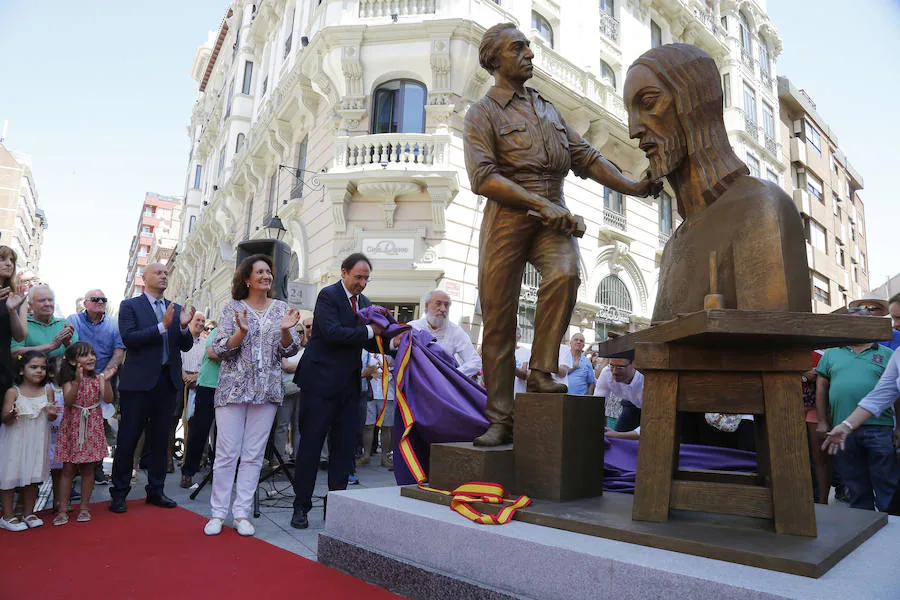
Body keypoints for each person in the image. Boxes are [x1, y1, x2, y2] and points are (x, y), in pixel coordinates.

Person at [464, 23, 659, 446]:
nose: (529, 53)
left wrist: (635, 187)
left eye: (529, 47)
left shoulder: (546, 108)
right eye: (518, 48)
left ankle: (541, 370)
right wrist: (543, 206)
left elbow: (585, 156)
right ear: (495, 58)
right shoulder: (483, 113)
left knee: (566, 275)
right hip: (509, 216)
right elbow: (482, 178)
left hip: (553, 214)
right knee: (498, 317)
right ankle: (500, 418)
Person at [625, 44, 810, 324]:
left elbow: (775, 342)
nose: (633, 130)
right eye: (630, 111)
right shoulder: (675, 242)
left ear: (693, 103)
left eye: (648, 103)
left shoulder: (760, 206)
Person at [204, 255, 301, 537]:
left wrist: (284, 330)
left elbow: (290, 349)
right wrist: (241, 333)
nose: (266, 276)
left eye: (269, 272)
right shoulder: (232, 308)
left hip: (267, 390)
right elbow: (220, 349)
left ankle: (241, 513)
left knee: (253, 454)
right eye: (259, 272)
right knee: (226, 453)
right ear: (247, 278)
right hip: (233, 389)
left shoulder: (281, 308)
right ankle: (217, 513)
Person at [291, 253, 384, 530]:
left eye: (366, 278)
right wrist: (370, 331)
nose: (362, 283)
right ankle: (301, 508)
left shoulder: (365, 304)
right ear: (344, 273)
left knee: (343, 452)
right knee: (310, 448)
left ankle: (336, 508)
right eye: (358, 277)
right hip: (319, 385)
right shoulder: (328, 296)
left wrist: (393, 338)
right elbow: (333, 332)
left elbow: (370, 342)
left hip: (349, 388)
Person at [110, 262, 195, 514]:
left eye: (166, 273)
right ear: (144, 278)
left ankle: (156, 490)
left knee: (161, 440)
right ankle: (119, 493)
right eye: (158, 272)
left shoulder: (176, 308)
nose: (163, 276)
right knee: (128, 438)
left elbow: (187, 345)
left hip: (166, 383)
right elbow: (129, 339)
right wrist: (163, 326)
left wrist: (181, 327)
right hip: (137, 384)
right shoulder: (130, 306)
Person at [815, 318, 896, 511]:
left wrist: (898, 427)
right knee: (854, 483)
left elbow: (894, 393)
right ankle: (865, 527)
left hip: (880, 427)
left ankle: (893, 526)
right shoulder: (831, 354)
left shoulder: (888, 354)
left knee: (886, 482)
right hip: (841, 429)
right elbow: (821, 387)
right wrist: (822, 421)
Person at [68, 289, 125, 485]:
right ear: (85, 303)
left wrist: (105, 375)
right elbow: (70, 350)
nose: (100, 302)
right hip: (78, 380)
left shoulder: (113, 324)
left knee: (100, 424)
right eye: (95, 299)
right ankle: (74, 467)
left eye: (103, 299)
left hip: (104, 379)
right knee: (75, 423)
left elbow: (118, 352)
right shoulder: (73, 320)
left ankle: (97, 467)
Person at [53, 342, 114, 525]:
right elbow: (69, 401)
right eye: (85, 355)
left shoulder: (98, 379)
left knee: (88, 470)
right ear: (72, 361)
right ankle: (63, 508)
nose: (91, 358)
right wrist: (78, 382)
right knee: (68, 469)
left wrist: (108, 380)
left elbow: (109, 399)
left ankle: (85, 507)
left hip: (92, 427)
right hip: (73, 427)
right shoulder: (68, 381)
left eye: (92, 354)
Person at [0, 351, 58, 531]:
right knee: (9, 476)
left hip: (37, 441)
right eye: (34, 367)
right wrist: (11, 414)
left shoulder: (48, 390)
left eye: (43, 367)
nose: (39, 371)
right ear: (21, 370)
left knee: (33, 478)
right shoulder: (13, 392)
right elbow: (4, 418)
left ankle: (29, 512)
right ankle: (7, 516)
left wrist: (52, 414)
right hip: (14, 441)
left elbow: (50, 417)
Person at [180, 321, 221, 489]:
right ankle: (188, 472)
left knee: (223, 434)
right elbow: (212, 354)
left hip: (228, 387)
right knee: (199, 431)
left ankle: (218, 471)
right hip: (208, 385)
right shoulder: (217, 332)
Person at [407, 290, 481, 378]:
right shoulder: (412, 327)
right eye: (438, 304)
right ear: (427, 306)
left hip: (443, 387)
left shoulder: (455, 331)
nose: (443, 309)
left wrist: (451, 375)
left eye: (446, 305)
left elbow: (475, 361)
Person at [171, 311, 206, 473]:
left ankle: (192, 458)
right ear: (190, 321)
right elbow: (176, 359)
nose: (200, 323)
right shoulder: (181, 340)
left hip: (199, 384)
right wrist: (184, 375)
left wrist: (197, 377)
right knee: (174, 420)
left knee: (194, 423)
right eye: (197, 320)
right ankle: (168, 458)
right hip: (181, 383)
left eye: (202, 321)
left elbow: (207, 365)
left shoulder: (206, 344)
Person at [11, 284, 77, 361]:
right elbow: (16, 355)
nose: (47, 304)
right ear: (30, 305)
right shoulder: (22, 324)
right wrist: (51, 346)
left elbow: (78, 355)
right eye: (41, 300)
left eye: (50, 300)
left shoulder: (64, 324)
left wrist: (68, 344)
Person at [274, 318, 307, 466]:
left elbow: (291, 366)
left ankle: (298, 456)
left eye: (301, 332)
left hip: (302, 390)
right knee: (282, 425)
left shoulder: (306, 350)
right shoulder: (283, 349)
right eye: (296, 331)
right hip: (286, 390)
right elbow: (286, 366)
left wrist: (294, 366)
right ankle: (278, 458)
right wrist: (300, 366)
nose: (298, 334)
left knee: (298, 425)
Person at [0, 246, 29, 391]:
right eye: (2, 259)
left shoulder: (17, 297)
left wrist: (12, 310)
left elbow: (20, 336)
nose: (9, 264)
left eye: (12, 260)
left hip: (3, 366)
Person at [594, 357, 644, 431]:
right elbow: (597, 404)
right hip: (630, 405)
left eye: (620, 367)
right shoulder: (607, 373)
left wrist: (619, 435)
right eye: (612, 365)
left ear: (633, 364)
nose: (614, 371)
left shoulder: (645, 378)